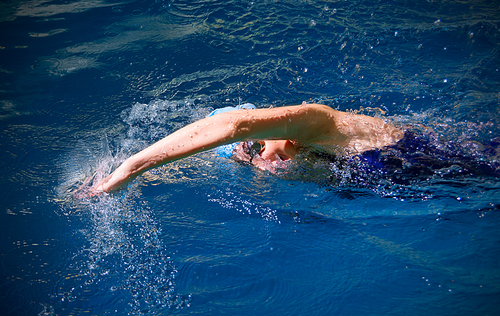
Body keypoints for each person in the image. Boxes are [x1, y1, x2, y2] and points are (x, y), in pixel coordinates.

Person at [92, 102, 404, 193]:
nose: (265, 161)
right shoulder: (307, 169)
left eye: (256, 147)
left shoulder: (317, 122)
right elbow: (185, 168)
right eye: (250, 159)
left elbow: (232, 126)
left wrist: (130, 168)